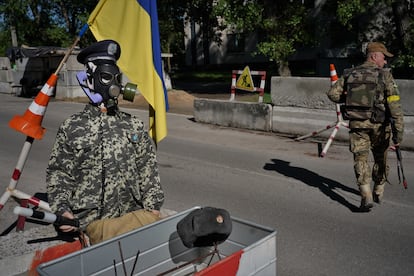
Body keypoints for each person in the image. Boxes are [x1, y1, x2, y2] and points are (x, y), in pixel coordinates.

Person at [46, 40, 164, 242]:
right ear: (90, 79)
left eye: (116, 77)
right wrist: (62, 210)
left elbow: (148, 168)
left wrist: (152, 208)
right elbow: (60, 174)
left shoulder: (133, 125)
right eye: (106, 77)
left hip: (131, 221)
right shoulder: (72, 127)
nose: (113, 85)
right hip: (90, 226)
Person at [327, 42, 404, 212]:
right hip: (380, 125)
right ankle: (379, 189)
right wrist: (399, 134)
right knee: (380, 158)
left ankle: (365, 193)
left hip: (357, 125)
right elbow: (395, 106)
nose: (385, 62)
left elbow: (332, 94)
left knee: (360, 159)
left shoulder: (350, 73)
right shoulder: (384, 75)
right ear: (374, 56)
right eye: (384, 58)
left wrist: (348, 99)